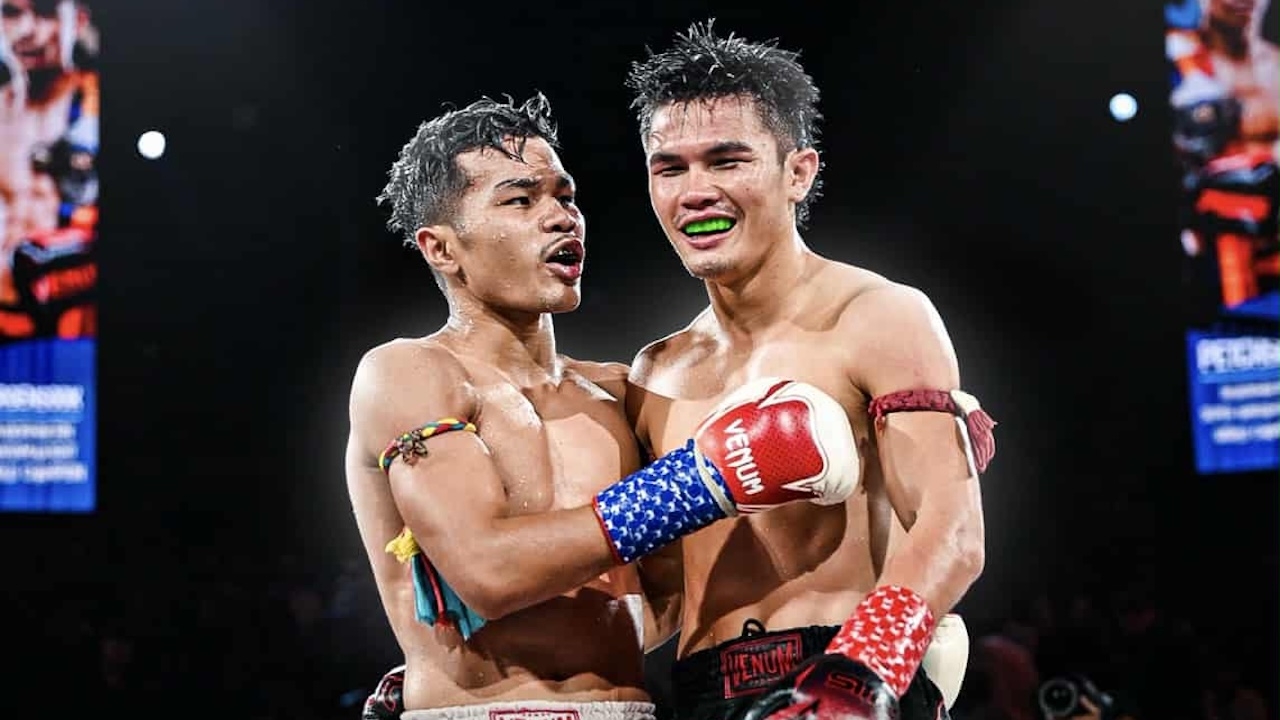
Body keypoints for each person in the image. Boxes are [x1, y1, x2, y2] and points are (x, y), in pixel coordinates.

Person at [347, 92, 862, 720]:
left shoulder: (622, 393)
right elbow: (487, 571)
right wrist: (701, 481)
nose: (561, 218)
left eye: (564, 196)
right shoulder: (406, 373)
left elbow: (673, 592)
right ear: (442, 248)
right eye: (520, 200)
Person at [621, 20, 994, 720]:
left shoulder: (878, 316)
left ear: (798, 172)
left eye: (726, 161)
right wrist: (484, 663)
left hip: (843, 666)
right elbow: (661, 594)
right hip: (701, 692)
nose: (695, 190)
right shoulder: (655, 372)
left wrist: (862, 672)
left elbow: (952, 531)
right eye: (670, 168)